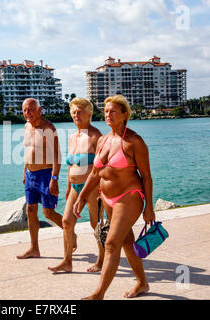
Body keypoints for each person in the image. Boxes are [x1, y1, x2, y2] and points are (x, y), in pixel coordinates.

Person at [73, 94, 155, 299]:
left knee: (110, 243)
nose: (108, 115)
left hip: (129, 196)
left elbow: (146, 176)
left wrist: (149, 207)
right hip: (107, 198)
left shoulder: (134, 141)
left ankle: (99, 294)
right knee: (126, 241)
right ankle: (142, 283)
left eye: (113, 111)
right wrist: (82, 197)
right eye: (106, 111)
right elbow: (95, 172)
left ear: (125, 114)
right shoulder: (103, 139)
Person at [47, 97, 104, 273]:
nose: (76, 115)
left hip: (93, 187)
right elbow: (72, 165)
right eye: (73, 112)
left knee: (96, 223)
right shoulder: (72, 137)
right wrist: (66, 187)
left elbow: (101, 167)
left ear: (89, 114)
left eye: (80, 112)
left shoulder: (96, 137)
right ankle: (67, 261)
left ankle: (101, 259)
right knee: (66, 221)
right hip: (74, 187)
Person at [17, 98, 71, 259]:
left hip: (45, 175)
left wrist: (54, 179)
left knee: (48, 212)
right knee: (31, 210)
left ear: (39, 110)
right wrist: (24, 172)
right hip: (30, 175)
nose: (28, 113)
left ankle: (71, 233)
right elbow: (28, 151)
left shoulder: (49, 128)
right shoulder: (27, 126)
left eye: (31, 110)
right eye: (25, 110)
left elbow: (57, 156)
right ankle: (34, 248)